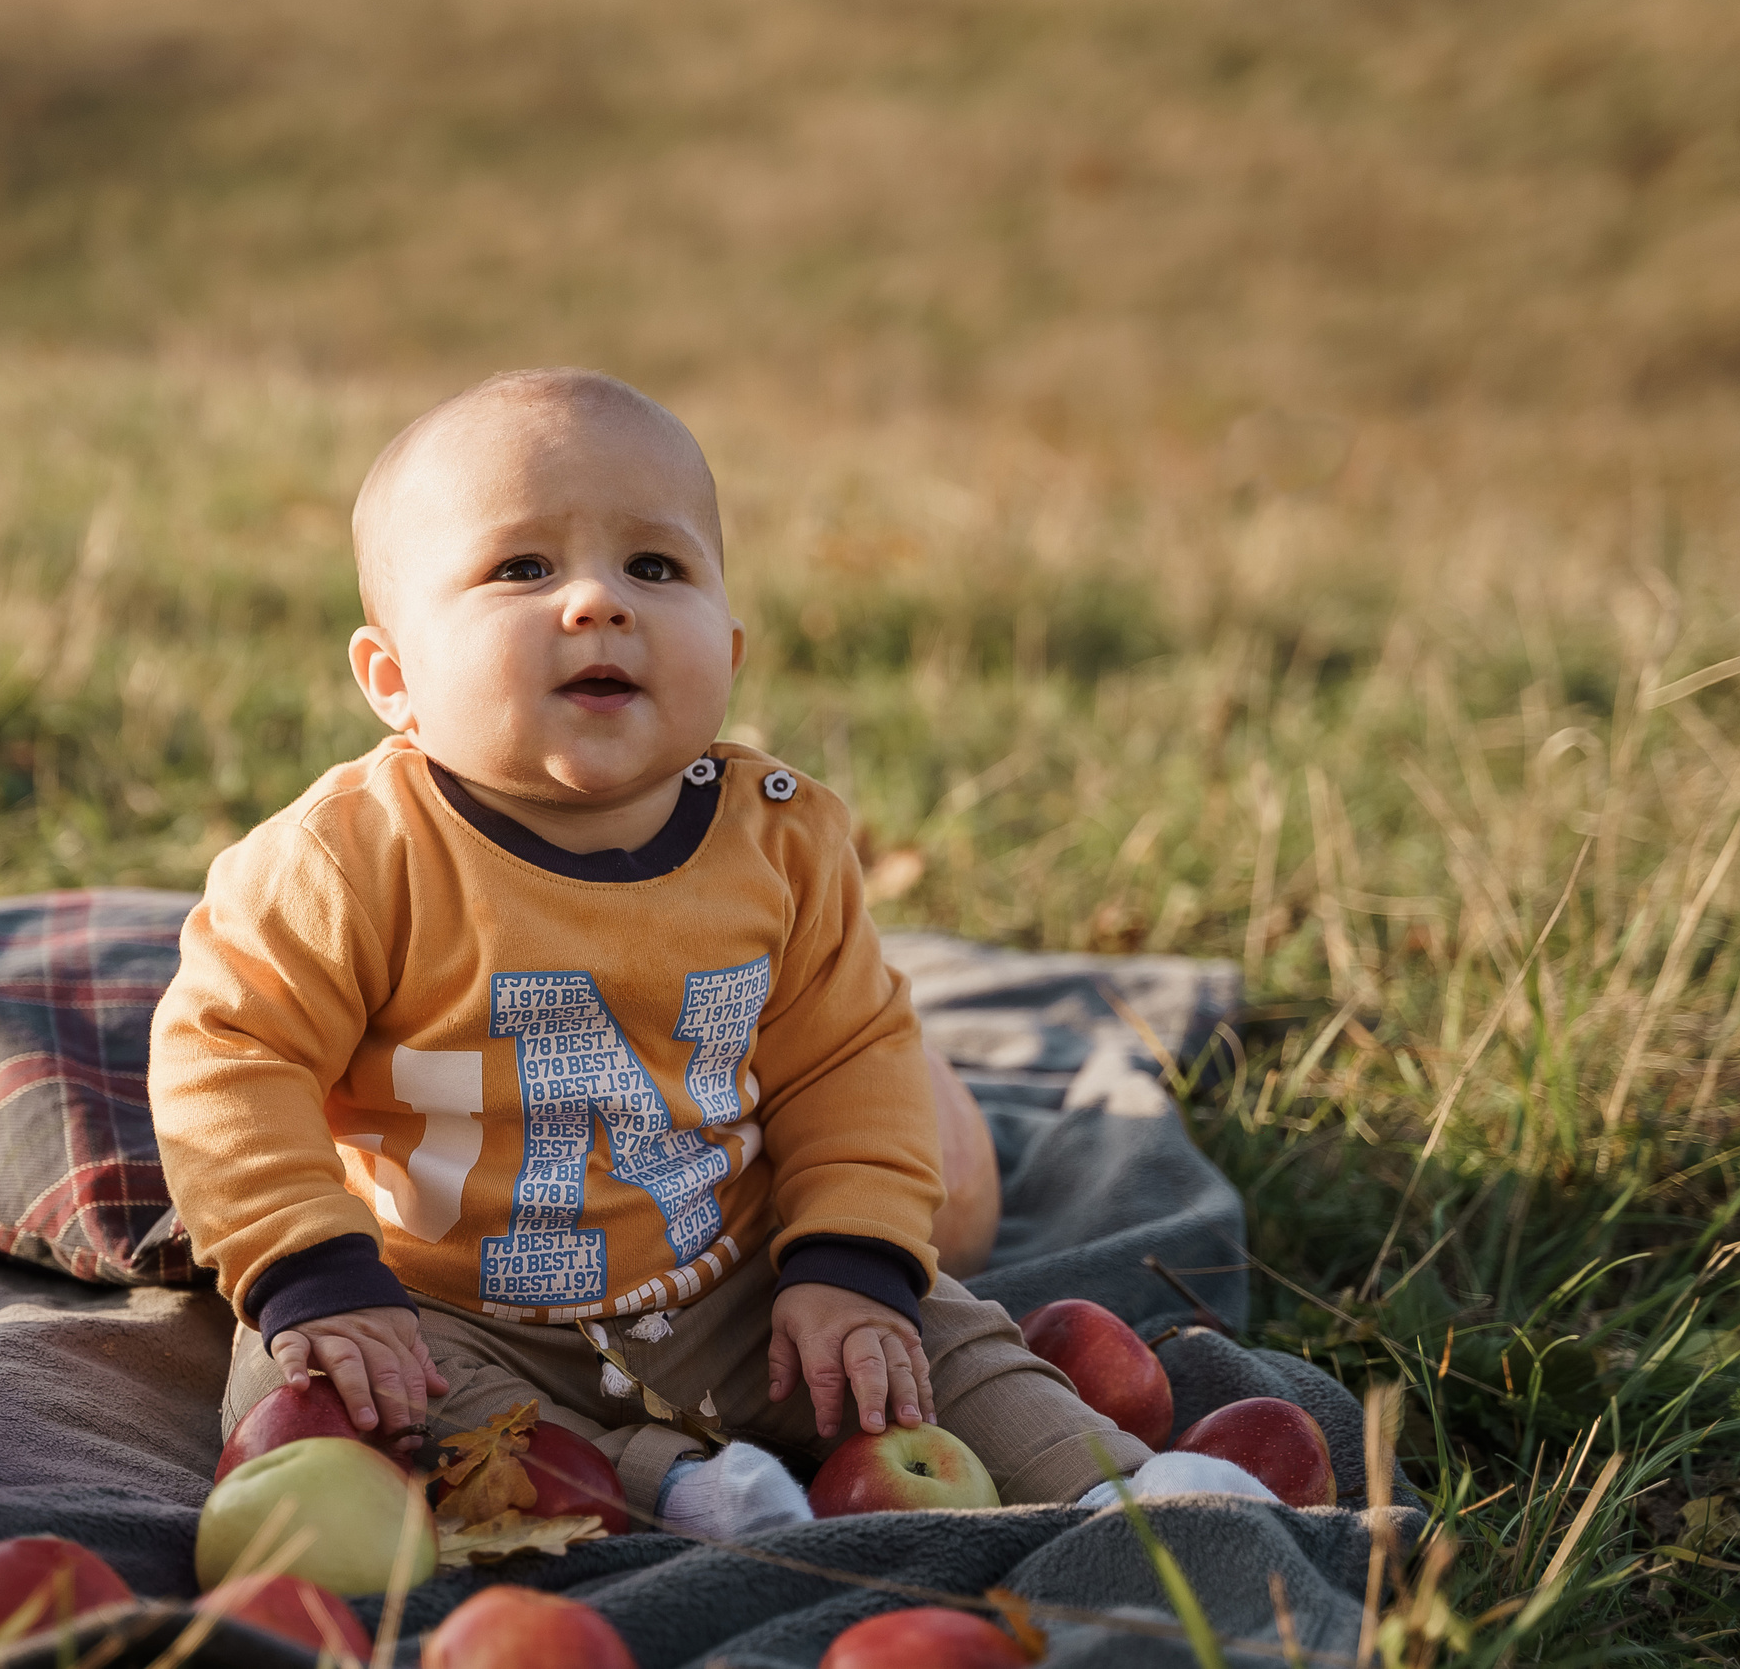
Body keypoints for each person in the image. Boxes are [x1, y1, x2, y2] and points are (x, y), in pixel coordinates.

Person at [150, 368, 1255, 1535]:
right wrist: (314, 1273)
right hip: (438, 1304)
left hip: (728, 1282)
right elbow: (230, 1056)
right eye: (521, 568)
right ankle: (664, 1488)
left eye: (654, 567)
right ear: (393, 679)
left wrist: (846, 1259)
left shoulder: (778, 846)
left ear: (726, 653)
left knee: (932, 1335)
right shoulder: (349, 863)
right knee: (323, 1402)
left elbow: (850, 1060)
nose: (596, 601)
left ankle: (1120, 1485)